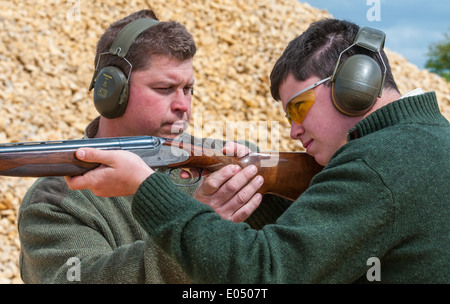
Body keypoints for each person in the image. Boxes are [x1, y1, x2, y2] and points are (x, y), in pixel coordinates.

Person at [66, 19, 449, 283]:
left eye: (298, 107)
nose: (293, 130)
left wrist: (148, 189)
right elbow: (322, 240)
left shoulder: (376, 164)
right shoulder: (425, 140)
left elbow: (264, 273)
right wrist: (252, 184)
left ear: (355, 85)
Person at [18, 9, 290, 284]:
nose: (183, 105)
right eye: (164, 89)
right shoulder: (54, 202)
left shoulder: (224, 163)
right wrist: (196, 232)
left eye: (188, 89)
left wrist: (263, 197)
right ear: (111, 92)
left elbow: (307, 250)